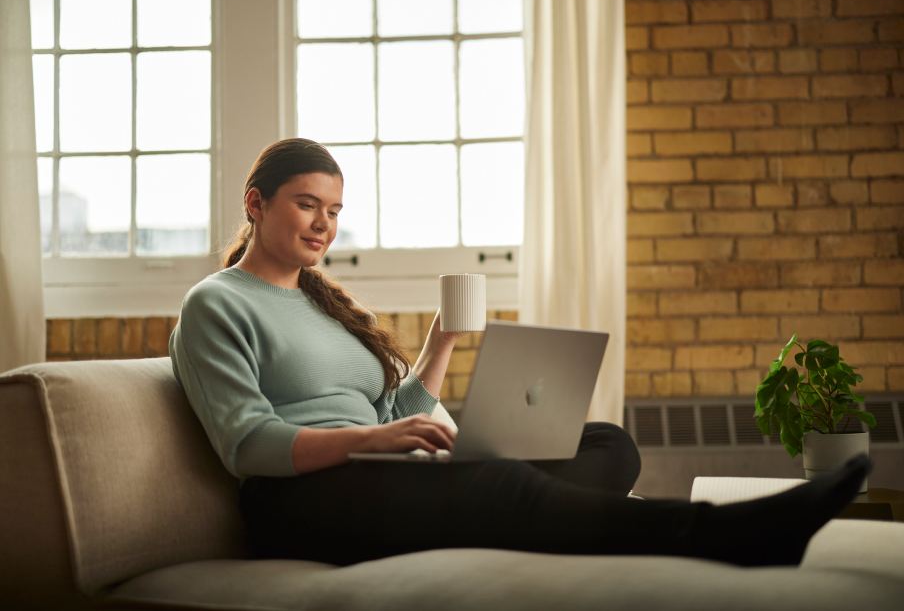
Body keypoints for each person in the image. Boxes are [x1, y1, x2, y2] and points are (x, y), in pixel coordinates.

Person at [169, 138, 870, 569]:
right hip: (298, 503)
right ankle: (726, 533)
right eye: (305, 204)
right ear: (256, 204)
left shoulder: (326, 302)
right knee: (500, 487)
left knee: (606, 443)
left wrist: (439, 345)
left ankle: (496, 509)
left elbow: (399, 409)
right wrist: (378, 439)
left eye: (334, 209)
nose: (323, 222)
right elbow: (248, 444)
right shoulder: (217, 304)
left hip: (384, 473)